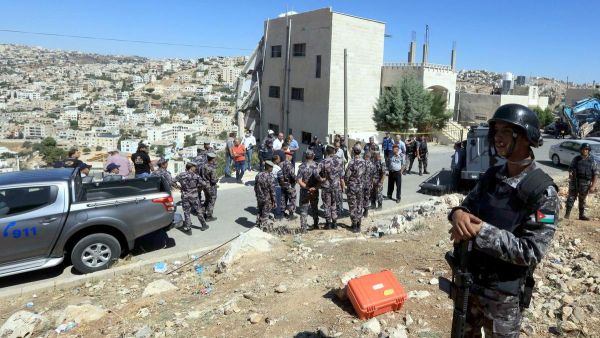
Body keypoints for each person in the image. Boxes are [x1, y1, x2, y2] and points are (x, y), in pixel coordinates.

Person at [447, 104, 559, 337]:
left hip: (502, 298)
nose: (498, 138)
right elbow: (467, 206)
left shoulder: (543, 192)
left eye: (506, 132)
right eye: (496, 131)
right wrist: (457, 214)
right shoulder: (491, 176)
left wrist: (481, 232)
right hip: (469, 284)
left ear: (526, 137)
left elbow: (531, 251)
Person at [565, 142, 598, 220]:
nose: (585, 151)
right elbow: (570, 168)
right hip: (574, 181)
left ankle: (581, 215)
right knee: (571, 198)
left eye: (587, 149)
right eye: (584, 149)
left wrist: (593, 186)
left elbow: (596, 174)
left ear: (589, 150)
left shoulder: (592, 161)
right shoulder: (576, 159)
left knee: (582, 200)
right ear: (581, 150)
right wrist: (570, 173)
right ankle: (567, 215)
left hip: (585, 183)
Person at [175, 162, 209, 233]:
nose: (195, 168)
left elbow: (171, 181)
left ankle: (188, 228)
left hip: (185, 196)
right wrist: (199, 189)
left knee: (186, 212)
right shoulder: (196, 176)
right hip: (194, 196)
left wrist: (179, 187)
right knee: (198, 211)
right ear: (191, 168)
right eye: (194, 167)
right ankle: (203, 225)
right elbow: (204, 184)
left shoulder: (181, 175)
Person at [318, 145, 344, 229]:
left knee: (326, 205)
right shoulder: (339, 161)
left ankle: (328, 223)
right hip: (336, 186)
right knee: (334, 204)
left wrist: (321, 179)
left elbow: (316, 173)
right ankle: (335, 223)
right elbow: (342, 175)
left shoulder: (323, 162)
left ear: (326, 152)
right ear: (334, 151)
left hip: (326, 186)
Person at [296, 150, 320, 232]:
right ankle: (316, 225)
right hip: (314, 191)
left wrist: (307, 188)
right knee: (314, 208)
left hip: (304, 191)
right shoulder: (317, 166)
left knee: (303, 210)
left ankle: (303, 228)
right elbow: (320, 180)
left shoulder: (302, 166)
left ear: (306, 156)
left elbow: (299, 180)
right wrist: (315, 188)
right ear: (313, 156)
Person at [345, 145, 367, 233]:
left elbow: (346, 176)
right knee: (359, 205)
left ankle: (354, 225)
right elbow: (365, 174)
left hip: (352, 187)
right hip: (361, 186)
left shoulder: (351, 163)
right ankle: (359, 224)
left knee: (352, 206)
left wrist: (347, 183)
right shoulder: (364, 162)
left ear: (353, 152)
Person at [254, 160, 276, 231]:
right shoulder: (270, 177)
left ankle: (257, 225)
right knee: (265, 214)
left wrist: (258, 195)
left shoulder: (258, 175)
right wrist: (274, 201)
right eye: (271, 167)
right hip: (267, 198)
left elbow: (255, 187)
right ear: (268, 167)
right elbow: (272, 190)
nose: (272, 168)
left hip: (259, 197)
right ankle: (263, 229)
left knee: (260, 211)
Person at [278, 150, 297, 220]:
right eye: (291, 156)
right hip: (289, 184)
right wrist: (297, 179)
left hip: (282, 184)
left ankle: (282, 214)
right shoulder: (290, 165)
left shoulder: (280, 164)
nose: (292, 157)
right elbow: (292, 175)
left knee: (283, 198)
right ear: (288, 156)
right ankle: (291, 214)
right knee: (292, 198)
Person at [201, 153, 219, 222]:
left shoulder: (203, 166)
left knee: (207, 199)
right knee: (212, 200)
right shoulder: (212, 168)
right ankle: (209, 216)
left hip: (205, 185)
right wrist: (217, 179)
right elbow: (213, 180)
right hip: (211, 186)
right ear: (213, 159)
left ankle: (202, 212)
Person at [363, 151, 376, 216]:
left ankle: (360, 210)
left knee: (361, 197)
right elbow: (373, 176)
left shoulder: (362, 163)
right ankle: (366, 211)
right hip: (368, 183)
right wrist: (372, 183)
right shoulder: (372, 165)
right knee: (367, 197)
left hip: (361, 184)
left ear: (365, 156)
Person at [271, 155, 284, 219]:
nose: (280, 160)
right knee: (278, 201)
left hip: (270, 186)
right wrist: (283, 185)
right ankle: (277, 215)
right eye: (279, 159)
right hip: (277, 186)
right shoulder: (278, 168)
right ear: (276, 160)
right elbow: (281, 179)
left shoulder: (269, 166)